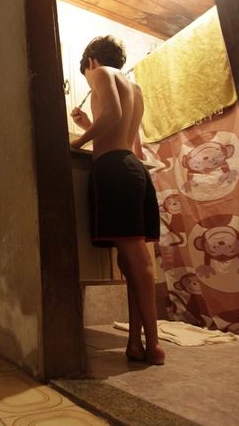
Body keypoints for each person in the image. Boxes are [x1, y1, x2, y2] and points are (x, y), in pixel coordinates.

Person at [70, 35, 165, 365]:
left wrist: (78, 140)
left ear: (91, 62)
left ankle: (152, 345)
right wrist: (89, 123)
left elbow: (109, 116)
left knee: (136, 263)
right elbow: (131, 144)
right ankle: (135, 343)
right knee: (132, 263)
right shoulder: (134, 89)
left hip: (113, 169)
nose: (89, 80)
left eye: (86, 74)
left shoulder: (99, 73)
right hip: (134, 170)